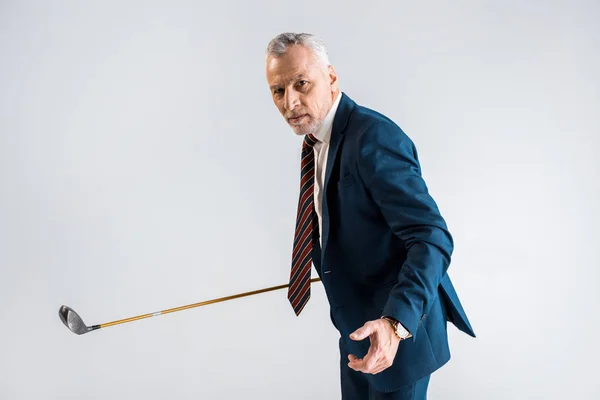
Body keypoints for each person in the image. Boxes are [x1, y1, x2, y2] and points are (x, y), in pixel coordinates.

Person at [264, 32, 475, 400]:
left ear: (331, 77)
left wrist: (395, 324)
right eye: (278, 91)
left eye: (301, 83)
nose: (290, 101)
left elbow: (431, 238)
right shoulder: (317, 141)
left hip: (398, 330)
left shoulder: (372, 137)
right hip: (357, 329)